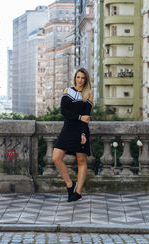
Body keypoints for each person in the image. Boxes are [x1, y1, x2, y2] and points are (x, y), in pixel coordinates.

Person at [52, 68, 93, 202]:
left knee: (82, 161)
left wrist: (83, 133)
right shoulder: (67, 91)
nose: (80, 80)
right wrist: (79, 117)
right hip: (68, 129)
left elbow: (86, 118)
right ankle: (70, 185)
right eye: (78, 77)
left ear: (86, 80)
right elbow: (64, 111)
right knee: (56, 157)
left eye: (83, 78)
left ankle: (78, 192)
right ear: (75, 78)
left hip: (81, 131)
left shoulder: (89, 94)